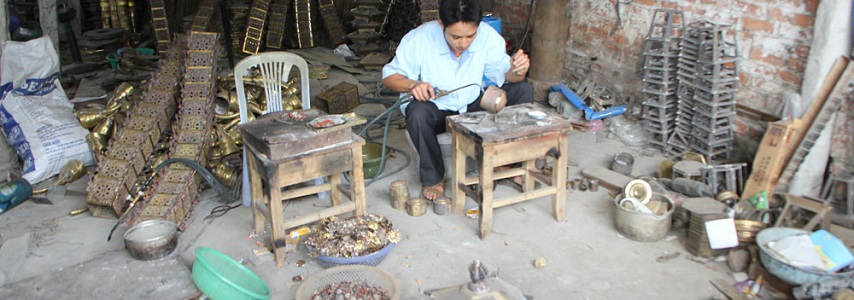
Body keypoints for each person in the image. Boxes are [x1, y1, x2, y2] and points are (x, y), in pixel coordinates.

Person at [382, 0, 533, 201]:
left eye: (470, 36)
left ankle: (507, 164)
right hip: (436, 108)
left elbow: (507, 76)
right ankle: (434, 178)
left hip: (471, 104)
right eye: (455, 37)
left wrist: (517, 70)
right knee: (417, 112)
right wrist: (412, 85)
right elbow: (389, 77)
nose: (463, 43)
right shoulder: (419, 39)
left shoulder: (487, 36)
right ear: (441, 24)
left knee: (522, 90)